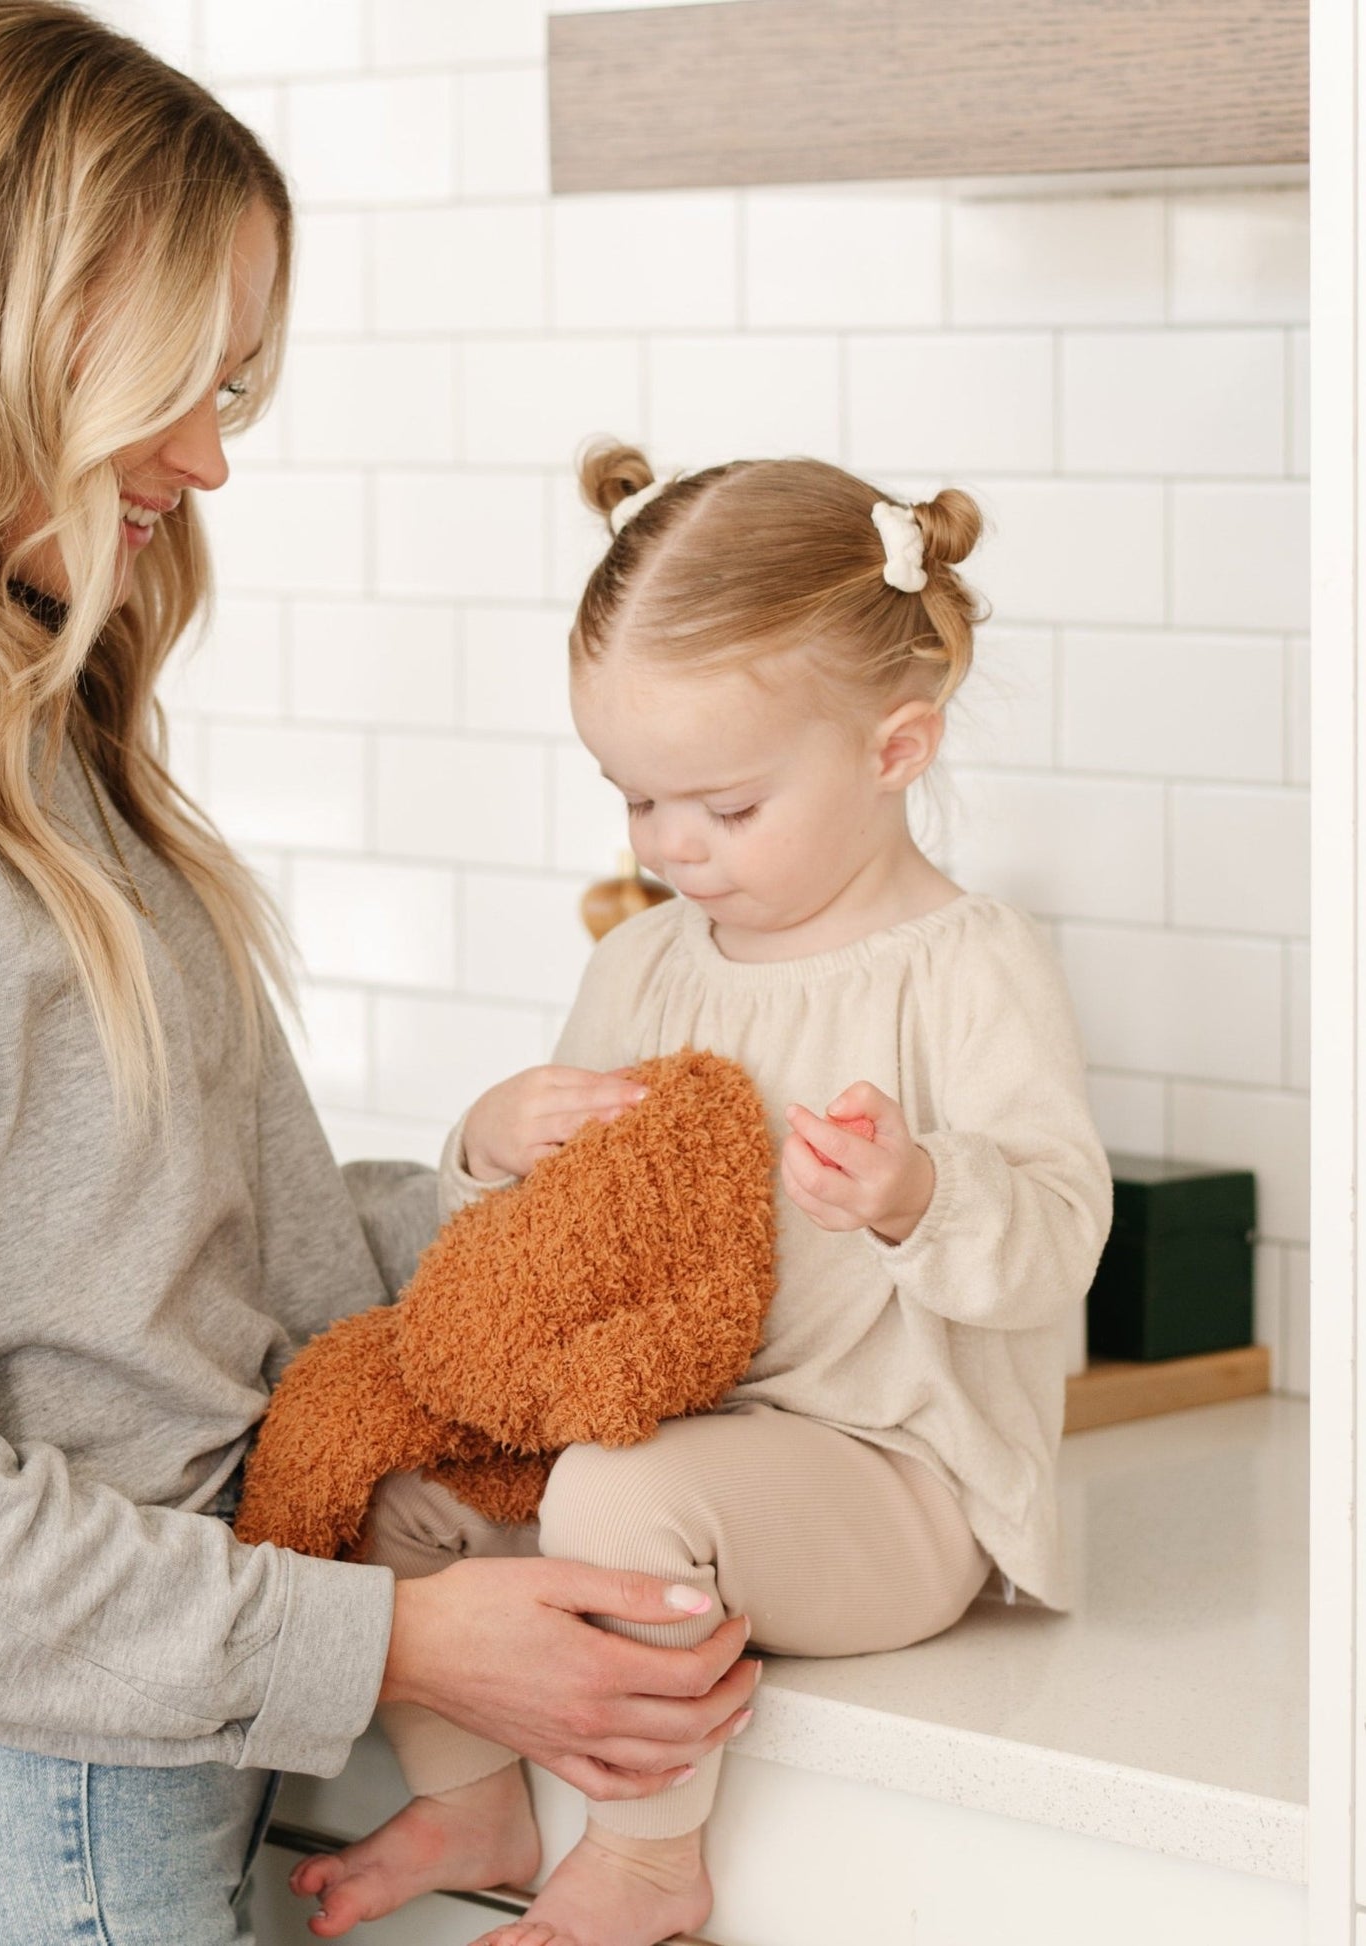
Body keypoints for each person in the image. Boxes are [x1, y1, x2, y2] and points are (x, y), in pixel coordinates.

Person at [0, 15, 758, 1944]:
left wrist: (504, 1212)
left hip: (72, 1774)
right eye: (173, 385)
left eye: (235, 394)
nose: (201, 458)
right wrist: (402, 1639)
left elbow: (153, 1260)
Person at [292, 445, 1113, 1946]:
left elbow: (1057, 1238)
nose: (670, 846)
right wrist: (487, 1146)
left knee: (613, 1494)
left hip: (891, 1479)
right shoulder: (644, 962)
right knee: (394, 1479)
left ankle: (650, 1855)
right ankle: (472, 1785)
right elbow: (541, 1266)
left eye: (722, 807)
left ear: (893, 748)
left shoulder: (964, 964)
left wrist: (916, 1191)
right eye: (634, 797)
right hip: (668, 1441)